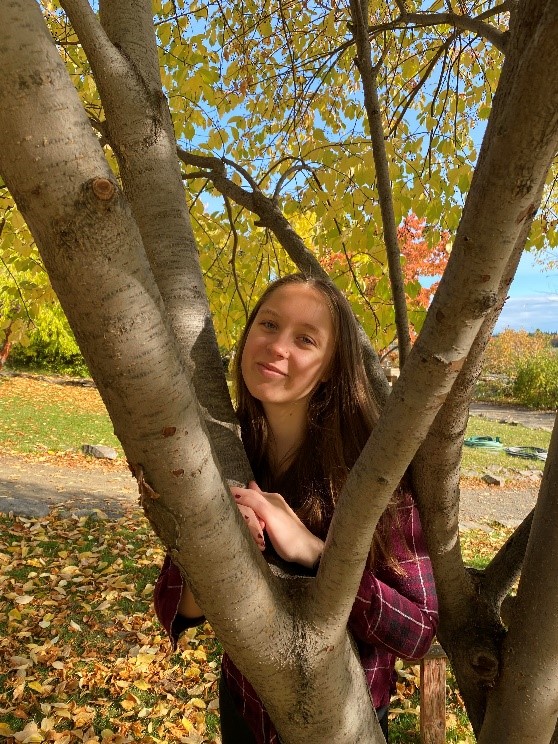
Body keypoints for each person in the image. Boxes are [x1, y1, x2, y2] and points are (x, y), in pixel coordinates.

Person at [154, 274, 438, 743]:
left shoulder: (372, 474)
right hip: (246, 707)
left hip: (343, 722)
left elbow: (419, 630)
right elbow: (174, 605)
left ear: (330, 366)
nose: (277, 346)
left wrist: (319, 555)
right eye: (268, 325)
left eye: (305, 339)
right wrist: (221, 552)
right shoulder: (225, 450)